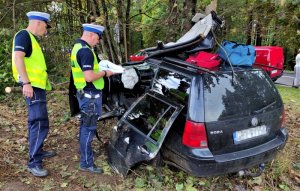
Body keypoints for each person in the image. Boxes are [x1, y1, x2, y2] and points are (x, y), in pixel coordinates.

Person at [11, 11, 56, 177]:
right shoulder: (24, 36)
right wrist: (26, 82)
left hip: (36, 86)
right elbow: (18, 58)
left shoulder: (31, 39)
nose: (46, 29)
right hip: (32, 87)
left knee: (36, 122)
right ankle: (34, 162)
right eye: (45, 25)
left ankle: (38, 151)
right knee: (39, 123)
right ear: (38, 22)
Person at [70, 23, 114, 174]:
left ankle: (85, 154)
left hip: (83, 94)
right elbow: (89, 77)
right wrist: (104, 73)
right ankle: (86, 163)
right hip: (90, 97)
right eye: (98, 38)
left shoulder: (77, 47)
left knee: (85, 126)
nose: (98, 41)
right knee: (89, 128)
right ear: (90, 35)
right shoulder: (85, 51)